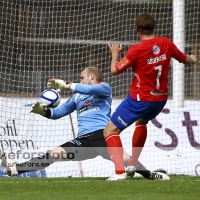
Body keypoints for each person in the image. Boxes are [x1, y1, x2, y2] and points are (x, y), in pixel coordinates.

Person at [1, 67, 168, 180]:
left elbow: (90, 90)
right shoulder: (77, 96)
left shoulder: (104, 88)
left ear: (91, 77)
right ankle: (15, 169)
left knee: (127, 161)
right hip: (83, 143)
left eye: (82, 77)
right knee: (52, 155)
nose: (79, 80)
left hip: (103, 137)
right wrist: (44, 112)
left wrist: (68, 85)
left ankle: (151, 176)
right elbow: (61, 112)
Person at [104, 13, 198, 181]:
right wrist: (195, 58)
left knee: (110, 130)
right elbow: (185, 59)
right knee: (141, 121)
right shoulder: (166, 43)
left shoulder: (137, 49)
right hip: (160, 100)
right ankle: (132, 163)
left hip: (140, 100)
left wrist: (115, 54)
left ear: (137, 30)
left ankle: (120, 172)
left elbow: (115, 70)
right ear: (153, 28)